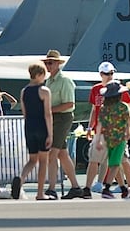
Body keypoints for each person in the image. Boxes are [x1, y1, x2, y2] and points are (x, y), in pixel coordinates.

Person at [84, 61, 130, 197]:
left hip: (116, 132)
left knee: (120, 161)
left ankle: (129, 186)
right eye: (107, 73)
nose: (110, 76)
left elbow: (128, 112)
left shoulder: (118, 89)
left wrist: (128, 130)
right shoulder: (96, 90)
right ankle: (89, 188)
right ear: (101, 74)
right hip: (106, 132)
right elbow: (95, 110)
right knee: (96, 159)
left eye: (111, 73)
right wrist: (89, 127)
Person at [40, 49, 85, 200]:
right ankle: (75, 187)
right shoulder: (49, 81)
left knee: (52, 153)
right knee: (62, 154)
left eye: (51, 62)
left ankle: (52, 188)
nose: (48, 65)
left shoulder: (64, 80)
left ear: (58, 64)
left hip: (62, 118)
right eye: (47, 63)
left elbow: (69, 104)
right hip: (53, 118)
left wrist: (48, 110)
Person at [11, 62, 53, 200]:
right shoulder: (44, 91)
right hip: (42, 126)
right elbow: (48, 113)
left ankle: (21, 178)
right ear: (39, 75)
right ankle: (40, 193)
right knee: (43, 161)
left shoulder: (24, 91)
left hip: (29, 126)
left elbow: (25, 112)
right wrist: (50, 134)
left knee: (32, 159)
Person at [95, 81, 130, 199]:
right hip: (120, 138)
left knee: (114, 162)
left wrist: (98, 139)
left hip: (108, 138)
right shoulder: (123, 107)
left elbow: (99, 124)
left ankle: (123, 188)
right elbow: (129, 122)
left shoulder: (104, 109)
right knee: (115, 164)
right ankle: (107, 188)